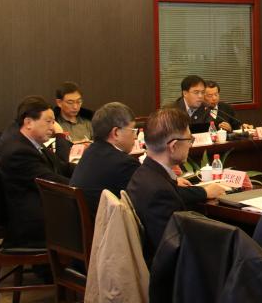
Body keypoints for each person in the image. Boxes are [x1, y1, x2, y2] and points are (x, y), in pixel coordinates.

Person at [126, 108, 227, 262]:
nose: (190, 145)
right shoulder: (159, 192)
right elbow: (173, 253)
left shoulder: (142, 174)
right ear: (173, 146)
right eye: (189, 139)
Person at [0, 96, 74, 248]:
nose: (53, 127)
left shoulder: (33, 143)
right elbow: (52, 182)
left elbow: (62, 167)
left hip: (40, 208)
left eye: (53, 122)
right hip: (32, 223)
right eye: (48, 121)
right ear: (28, 123)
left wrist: (87, 172)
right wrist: (83, 185)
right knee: (89, 214)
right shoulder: (18, 151)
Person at [70, 102, 141, 218]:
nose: (135, 136)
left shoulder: (90, 151)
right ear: (116, 133)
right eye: (133, 130)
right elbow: (143, 202)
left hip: (81, 222)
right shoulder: (125, 163)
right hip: (105, 226)